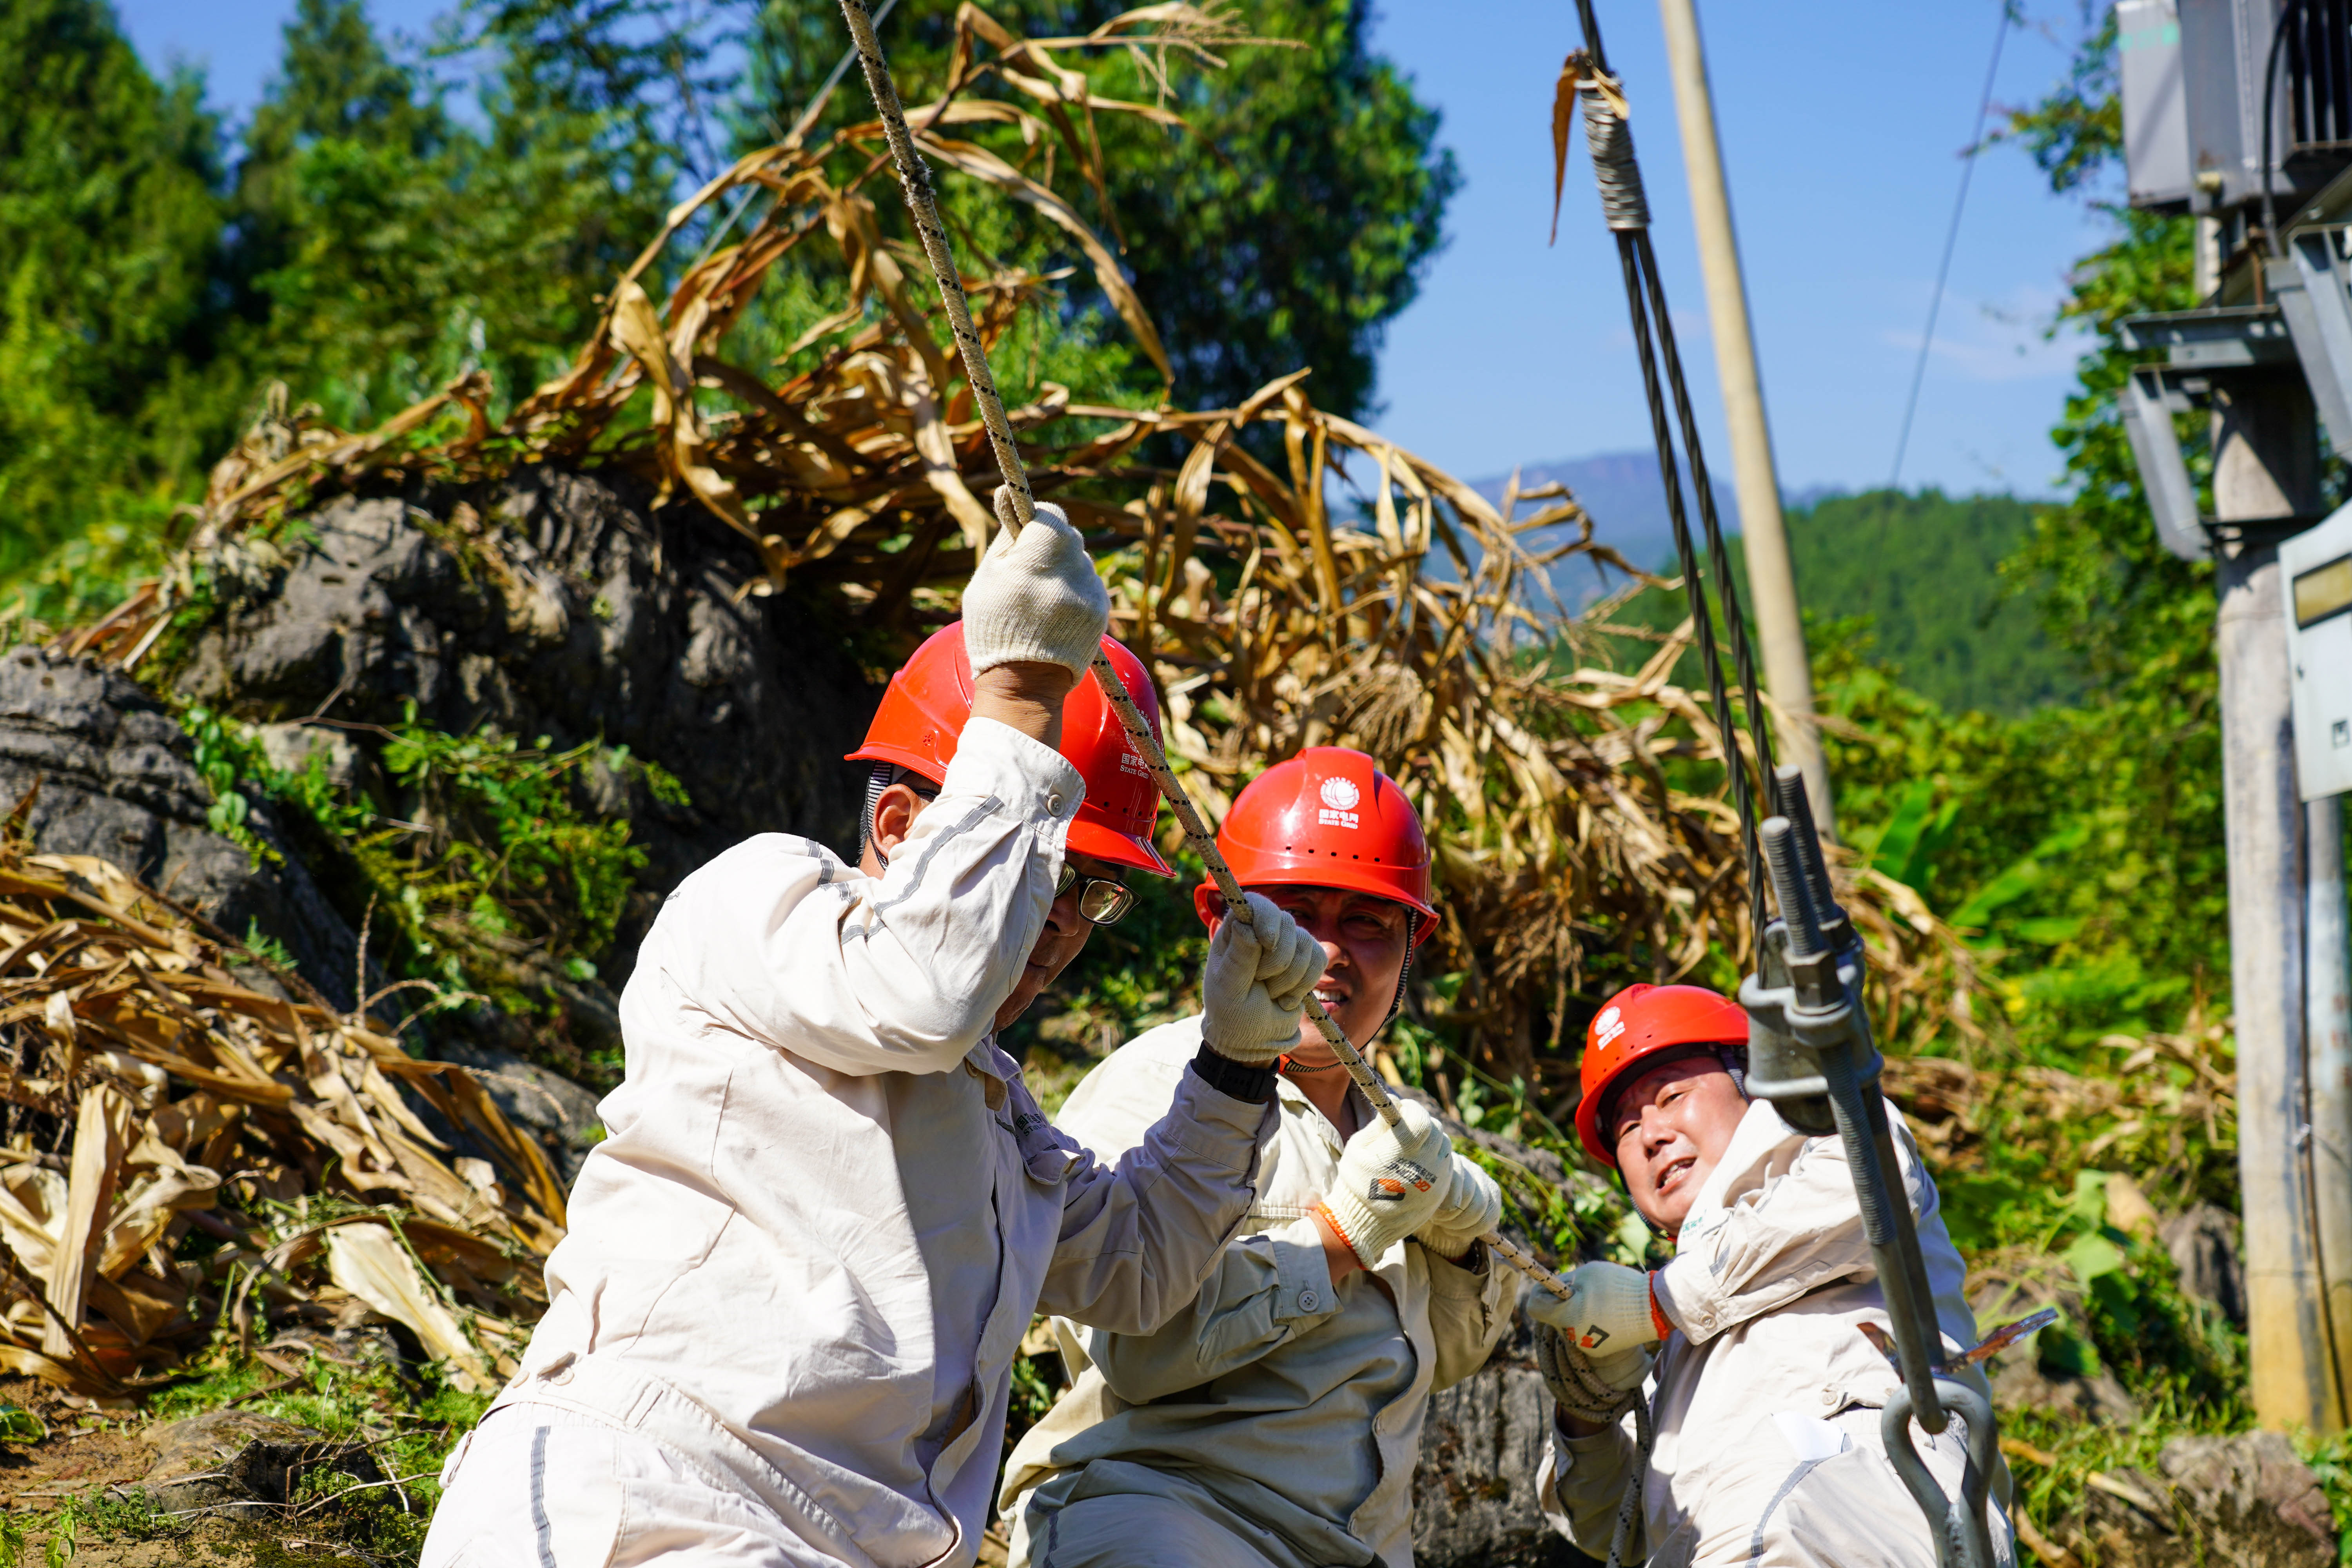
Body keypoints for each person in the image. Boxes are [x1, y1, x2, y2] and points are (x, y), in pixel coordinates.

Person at [418, 502, 1434, 1568]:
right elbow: (923, 986)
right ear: (901, 827)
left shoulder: (994, 1114)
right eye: (1050, 872)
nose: (1061, 926)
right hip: (657, 1495)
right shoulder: (766, 901)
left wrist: (1233, 1063)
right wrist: (1020, 697)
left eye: (1093, 892)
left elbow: (1138, 1268)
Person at [1000, 747, 1512, 1568]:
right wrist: (1343, 1234)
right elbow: (1139, 1348)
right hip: (1161, 1513)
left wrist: (1464, 1240)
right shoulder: (1152, 1090)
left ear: (1412, 943)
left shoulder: (1394, 1128)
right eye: (1296, 911)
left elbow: (1443, 1358)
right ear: (1222, 922)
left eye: (1367, 921)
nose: (1329, 950)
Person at [1526, 982, 2014, 1567]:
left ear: (1753, 1083)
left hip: (1861, 1512)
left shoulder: (1832, 1144)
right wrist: (1588, 1406)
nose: (1651, 1134)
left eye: (1673, 1094)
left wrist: (1657, 1303)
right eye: (1626, 1129)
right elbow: (1612, 1527)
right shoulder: (1672, 1348)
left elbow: (1871, 1192)